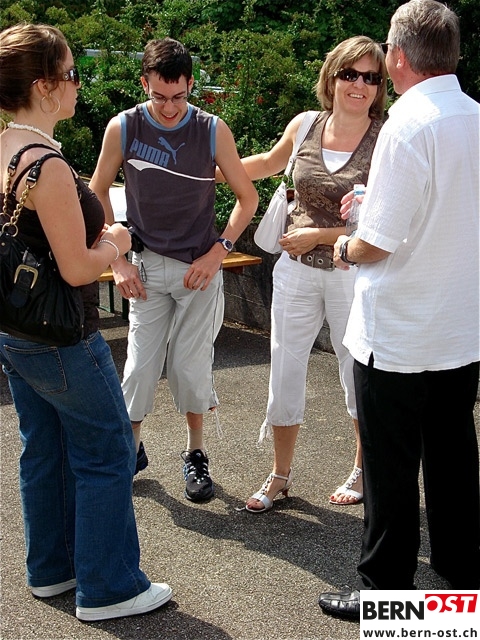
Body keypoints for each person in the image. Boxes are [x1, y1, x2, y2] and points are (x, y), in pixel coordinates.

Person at [0, 23, 172, 621]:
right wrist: (116, 242)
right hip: (61, 335)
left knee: (43, 449)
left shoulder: (5, 148)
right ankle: (109, 588)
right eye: (72, 73)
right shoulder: (44, 163)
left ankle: (53, 569)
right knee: (108, 450)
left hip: (16, 330)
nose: (79, 83)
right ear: (44, 86)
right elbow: (77, 268)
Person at [319, 0, 480, 620]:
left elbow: (376, 245)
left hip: (399, 332)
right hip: (460, 326)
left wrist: (343, 245)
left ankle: (385, 593)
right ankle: (459, 573)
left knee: (390, 468)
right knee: (453, 456)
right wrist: (374, 202)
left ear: (400, 56)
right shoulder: (473, 117)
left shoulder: (407, 125)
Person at [217, 36, 387, 512]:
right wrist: (212, 170)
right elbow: (268, 164)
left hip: (353, 273)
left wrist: (318, 235)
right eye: (349, 73)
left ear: (380, 86)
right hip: (295, 272)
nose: (358, 84)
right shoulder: (306, 123)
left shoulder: (387, 136)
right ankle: (280, 475)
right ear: (331, 77)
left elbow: (387, 223)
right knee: (285, 369)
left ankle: (363, 469)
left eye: (370, 77)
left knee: (356, 371)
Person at [89, 38, 258, 501]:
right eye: (159, 96)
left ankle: (196, 454)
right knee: (139, 368)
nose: (169, 107)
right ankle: (131, 451)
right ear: (143, 82)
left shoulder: (212, 130)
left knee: (188, 367)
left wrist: (219, 252)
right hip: (145, 268)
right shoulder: (124, 126)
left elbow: (247, 198)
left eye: (179, 96)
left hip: (198, 270)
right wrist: (116, 259)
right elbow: (97, 191)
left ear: (191, 84)